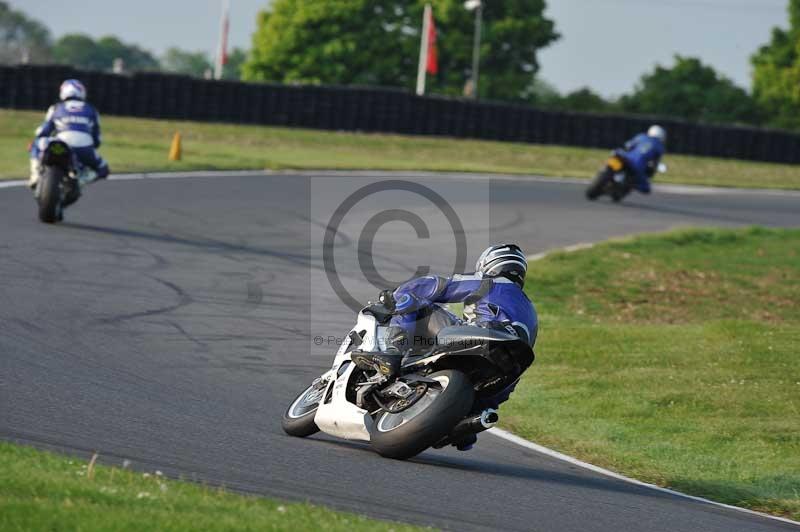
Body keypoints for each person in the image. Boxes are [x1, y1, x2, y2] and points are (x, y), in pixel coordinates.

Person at [359, 244, 538, 450]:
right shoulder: (531, 311)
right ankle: (467, 421)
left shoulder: (490, 282)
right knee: (497, 387)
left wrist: (396, 298)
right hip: (506, 370)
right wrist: (481, 408)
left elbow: (438, 285)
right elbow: (516, 370)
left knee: (417, 304)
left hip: (480, 337)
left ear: (489, 263)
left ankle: (390, 351)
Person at [29, 79, 110, 189]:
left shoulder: (56, 108)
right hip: (84, 149)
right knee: (103, 168)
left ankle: (35, 174)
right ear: (82, 92)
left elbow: (43, 132)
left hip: (60, 145)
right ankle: (82, 180)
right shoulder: (92, 110)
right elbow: (97, 139)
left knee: (35, 144)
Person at [618, 125, 667, 194]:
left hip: (626, 158)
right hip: (638, 166)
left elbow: (627, 145)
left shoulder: (641, 136)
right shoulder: (659, 146)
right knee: (646, 188)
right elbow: (655, 162)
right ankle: (630, 184)